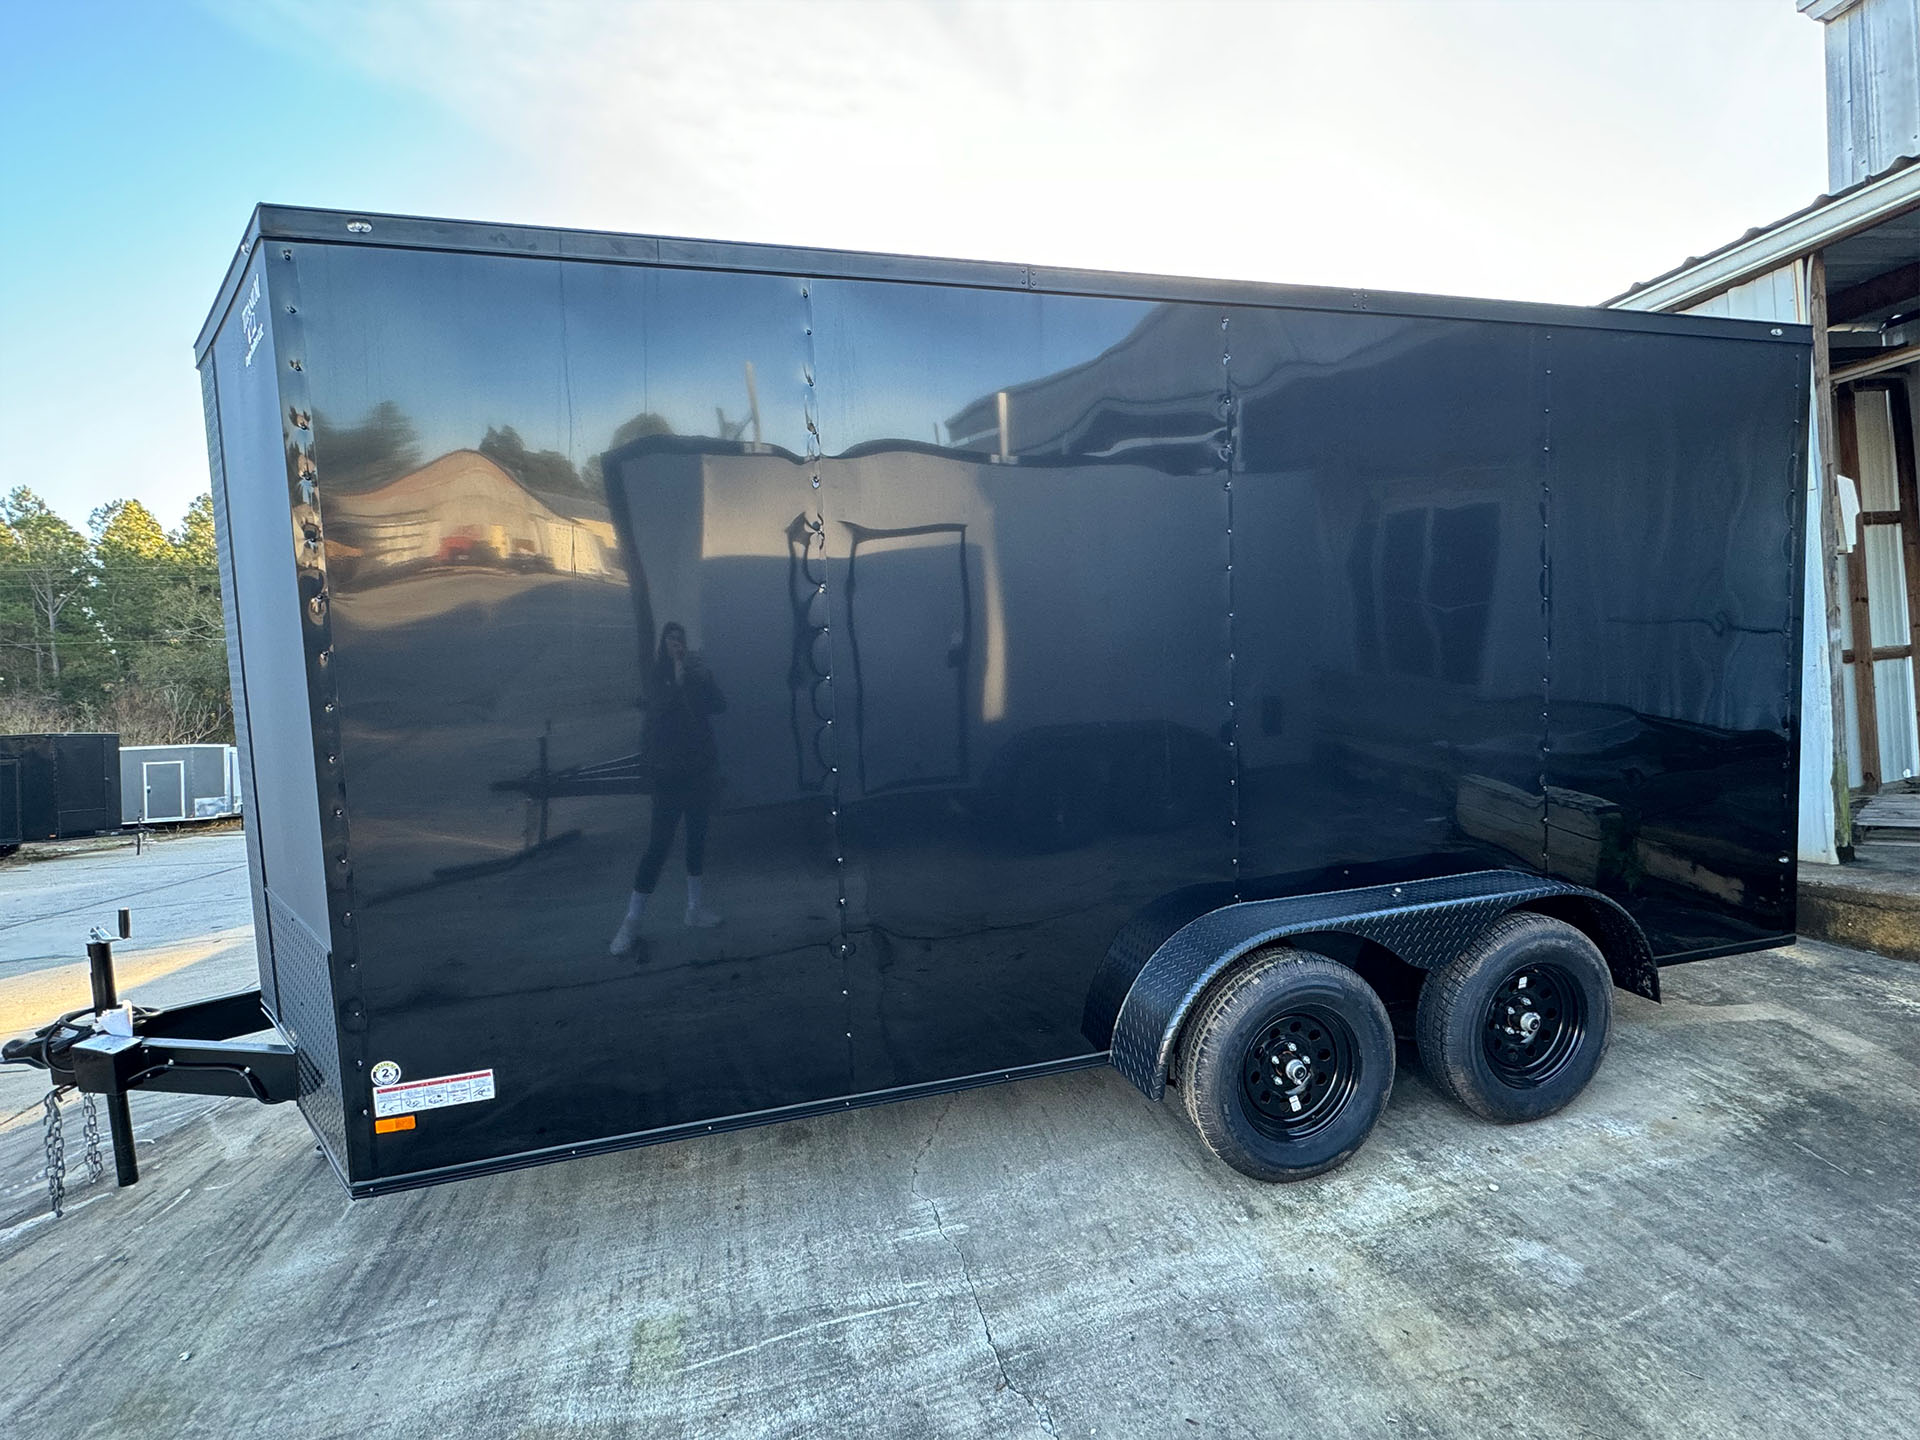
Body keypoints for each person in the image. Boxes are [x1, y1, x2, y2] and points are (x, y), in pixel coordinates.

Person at [611, 622, 726, 952]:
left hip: (697, 774)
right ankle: (631, 922)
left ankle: (694, 909)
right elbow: (661, 709)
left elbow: (720, 706)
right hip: (668, 777)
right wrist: (677, 676)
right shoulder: (657, 677)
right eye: (671, 640)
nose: (677, 645)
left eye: (681, 640)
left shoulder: (694, 677)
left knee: (696, 841)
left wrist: (706, 678)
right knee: (657, 848)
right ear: (663, 645)